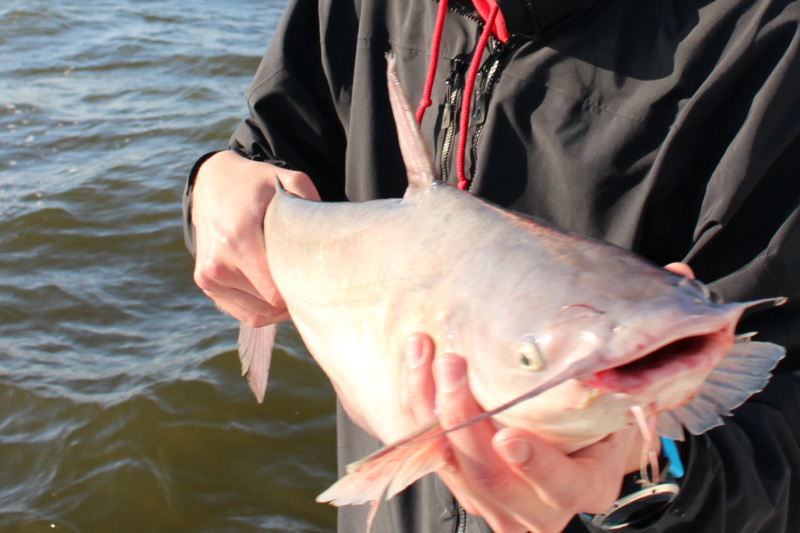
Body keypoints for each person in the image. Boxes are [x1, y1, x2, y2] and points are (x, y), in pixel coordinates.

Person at [183, 0, 800, 531]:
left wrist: (648, 473)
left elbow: (778, 446)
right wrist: (212, 184)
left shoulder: (771, 42)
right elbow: (268, 149)